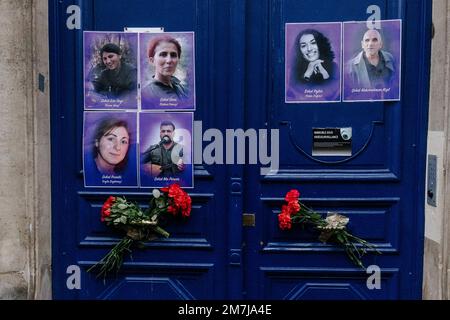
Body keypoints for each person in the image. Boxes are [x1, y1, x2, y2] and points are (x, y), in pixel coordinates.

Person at [142, 35, 189, 99]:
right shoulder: (146, 93)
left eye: (173, 55)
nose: (169, 60)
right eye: (163, 55)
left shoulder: (182, 89)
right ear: (152, 61)